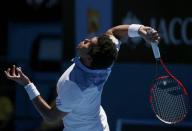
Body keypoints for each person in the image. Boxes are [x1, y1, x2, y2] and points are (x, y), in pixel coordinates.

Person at [4, 24, 160, 131]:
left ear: (89, 59)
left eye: (88, 44)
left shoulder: (75, 87)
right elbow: (114, 33)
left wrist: (27, 84)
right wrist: (141, 30)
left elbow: (50, 117)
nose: (85, 40)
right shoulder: (105, 59)